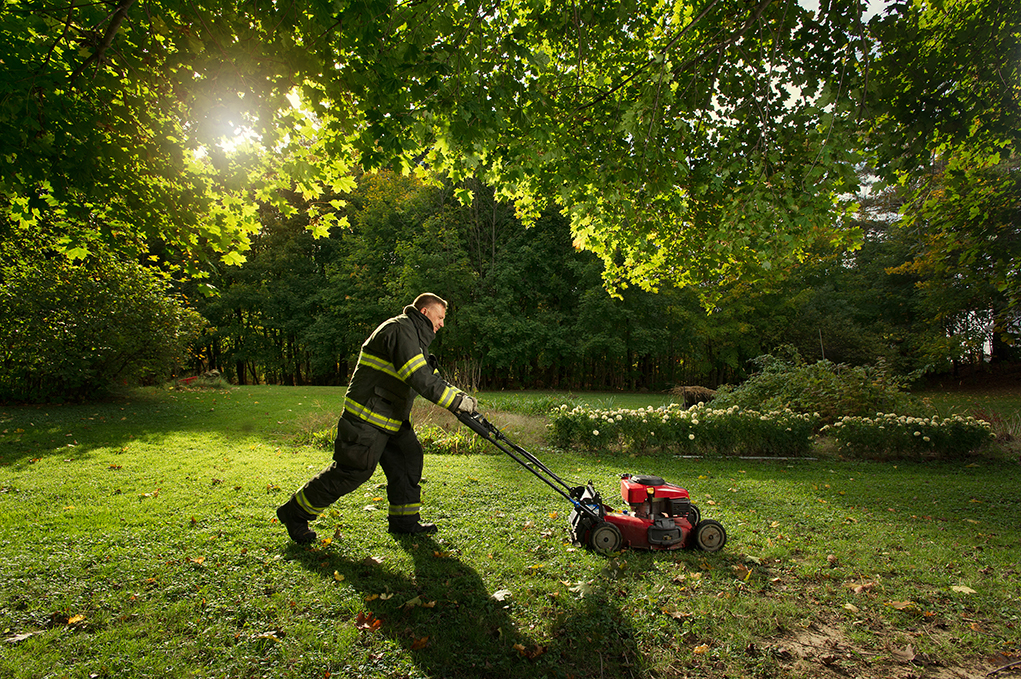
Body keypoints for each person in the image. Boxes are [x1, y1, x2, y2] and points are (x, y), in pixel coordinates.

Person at [276, 293, 478, 543]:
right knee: (353, 471)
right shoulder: (400, 330)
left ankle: (404, 522)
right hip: (368, 418)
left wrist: (460, 397)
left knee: (408, 459)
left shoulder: (414, 337)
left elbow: (429, 375)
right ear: (425, 313)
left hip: (390, 417)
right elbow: (419, 377)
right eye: (440, 317)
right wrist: (458, 402)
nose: (442, 324)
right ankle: (294, 513)